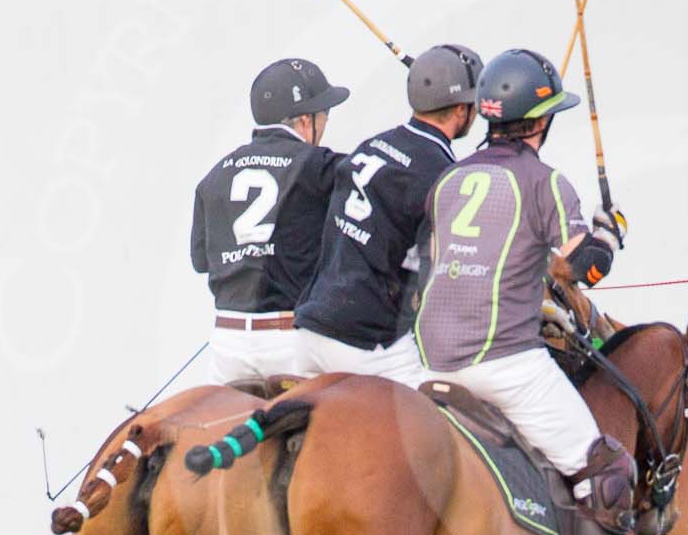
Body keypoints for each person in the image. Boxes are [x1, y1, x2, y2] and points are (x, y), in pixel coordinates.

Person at [413, 47, 683, 535]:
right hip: (502, 361)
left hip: (430, 362)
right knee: (609, 471)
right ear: (538, 122)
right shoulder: (544, 182)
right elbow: (579, 267)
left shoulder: (449, 178)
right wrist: (607, 234)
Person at [286, 46, 483, 383]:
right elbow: (443, 280)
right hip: (364, 344)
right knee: (449, 416)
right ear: (462, 110)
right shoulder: (442, 175)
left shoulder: (371, 145)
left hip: (308, 332)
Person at [189, 58, 350, 383]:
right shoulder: (321, 166)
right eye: (324, 117)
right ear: (306, 121)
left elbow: (201, 261)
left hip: (227, 345)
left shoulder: (215, 174)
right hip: (291, 344)